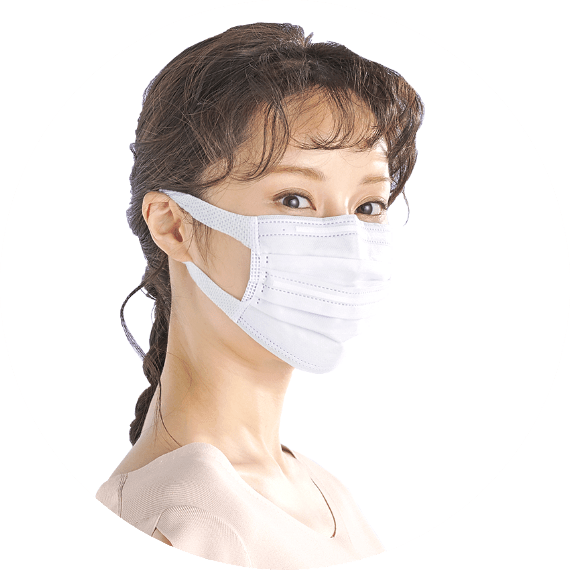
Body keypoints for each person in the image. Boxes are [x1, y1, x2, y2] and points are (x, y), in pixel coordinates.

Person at [96, 22, 423, 568]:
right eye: (294, 199)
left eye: (368, 206)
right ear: (174, 225)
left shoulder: (321, 491)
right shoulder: (180, 525)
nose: (347, 241)